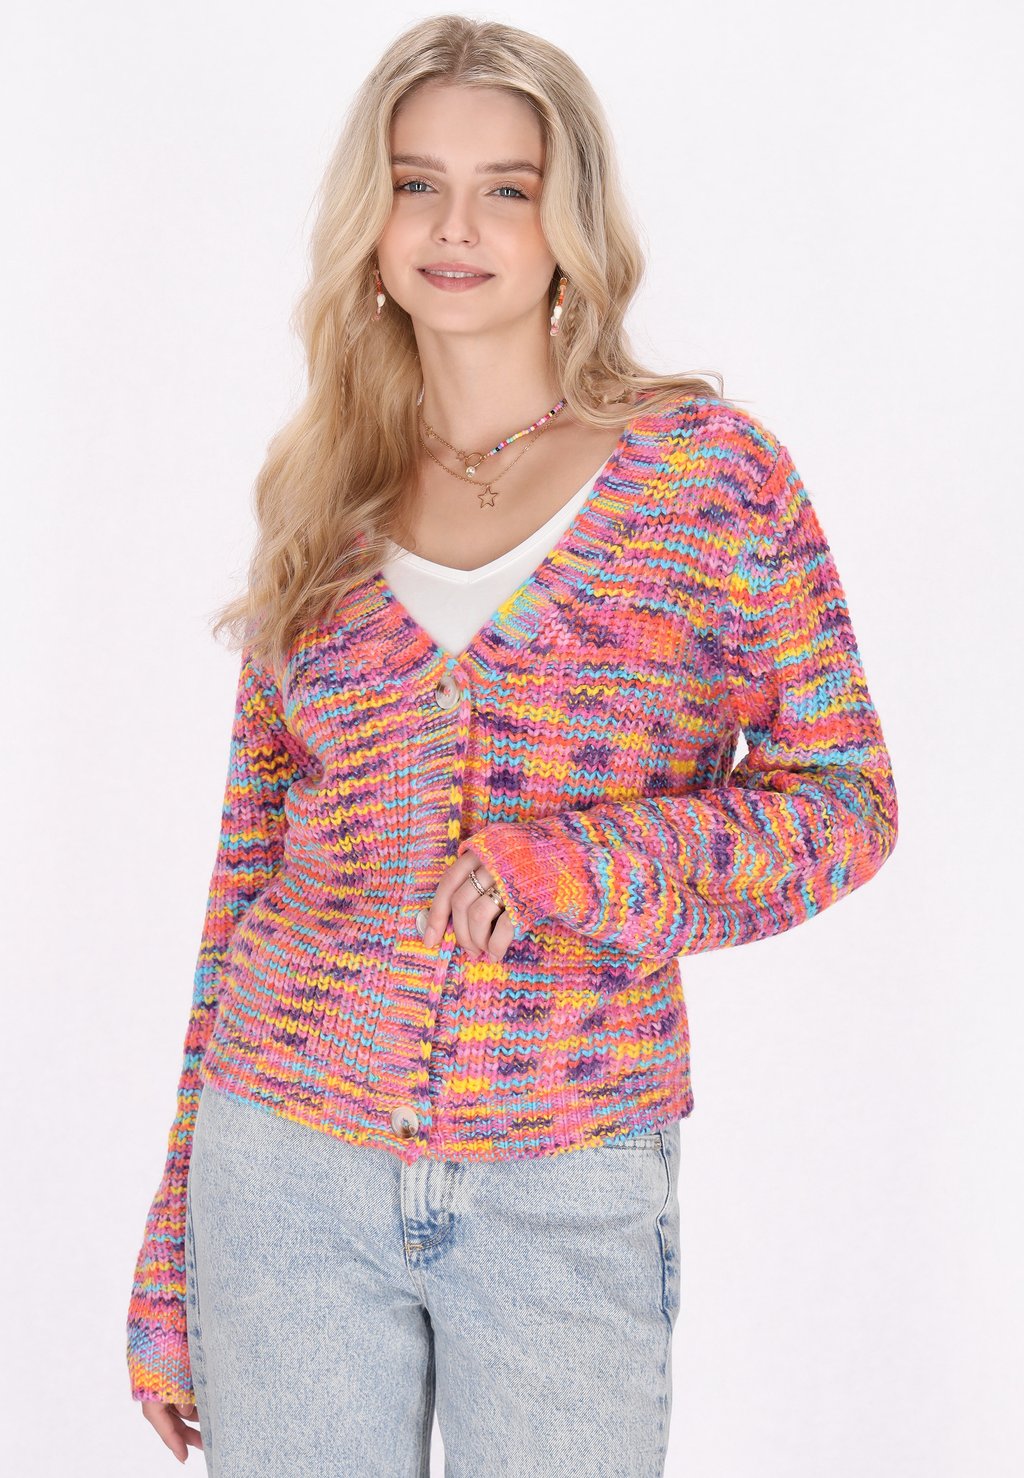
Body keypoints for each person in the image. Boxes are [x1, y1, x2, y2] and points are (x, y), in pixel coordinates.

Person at [125, 13, 899, 1475]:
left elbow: (847, 802)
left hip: (567, 1173)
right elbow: (247, 876)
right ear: (372, 222)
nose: (456, 227)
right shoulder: (326, 497)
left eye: (507, 187)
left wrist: (579, 865)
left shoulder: (708, 481)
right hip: (282, 1162)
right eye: (417, 184)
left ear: (570, 223)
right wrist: (175, 1245)